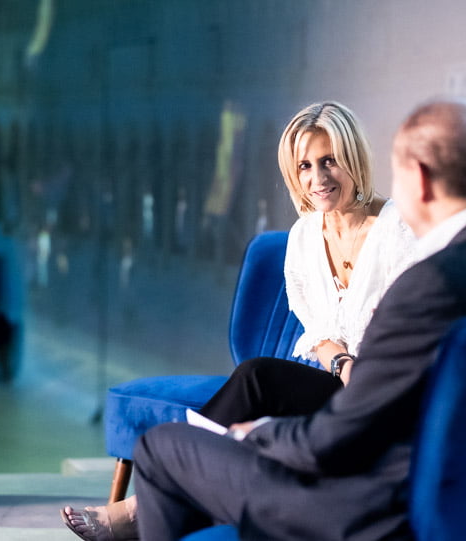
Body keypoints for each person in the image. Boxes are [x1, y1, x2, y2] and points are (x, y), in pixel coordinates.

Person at [128, 96, 466, 541]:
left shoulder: (429, 283)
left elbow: (339, 437)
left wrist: (261, 433)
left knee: (161, 447)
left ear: (418, 178)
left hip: (378, 508)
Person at [61, 102, 418, 540]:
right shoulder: (306, 234)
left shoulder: (396, 229)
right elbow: (319, 330)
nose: (318, 179)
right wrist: (344, 364)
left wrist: (364, 374)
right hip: (343, 381)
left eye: (330, 162)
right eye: (305, 166)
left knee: (257, 380)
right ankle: (150, 503)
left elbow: (413, 330)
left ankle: (142, 506)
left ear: (354, 159)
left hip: (384, 396)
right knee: (256, 378)